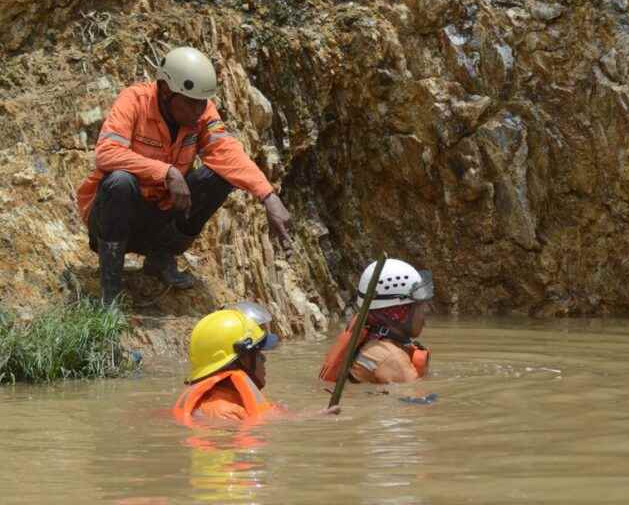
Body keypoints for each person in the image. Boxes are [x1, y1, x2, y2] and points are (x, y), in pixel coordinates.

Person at [76, 46, 291, 304]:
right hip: (114, 219)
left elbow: (226, 152)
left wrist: (268, 196)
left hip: (159, 217)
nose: (199, 110)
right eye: (191, 103)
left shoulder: (201, 111)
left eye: (202, 103)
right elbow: (107, 153)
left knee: (218, 178)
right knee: (119, 181)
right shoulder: (134, 100)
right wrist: (166, 172)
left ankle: (160, 258)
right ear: (166, 91)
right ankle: (109, 293)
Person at [319, 258, 434, 384]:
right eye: (419, 305)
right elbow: (417, 401)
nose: (427, 310)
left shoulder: (371, 337)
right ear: (399, 312)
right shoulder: (391, 359)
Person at [173, 309, 281, 423]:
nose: (264, 359)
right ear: (242, 359)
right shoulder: (223, 412)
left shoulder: (229, 400)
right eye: (258, 353)